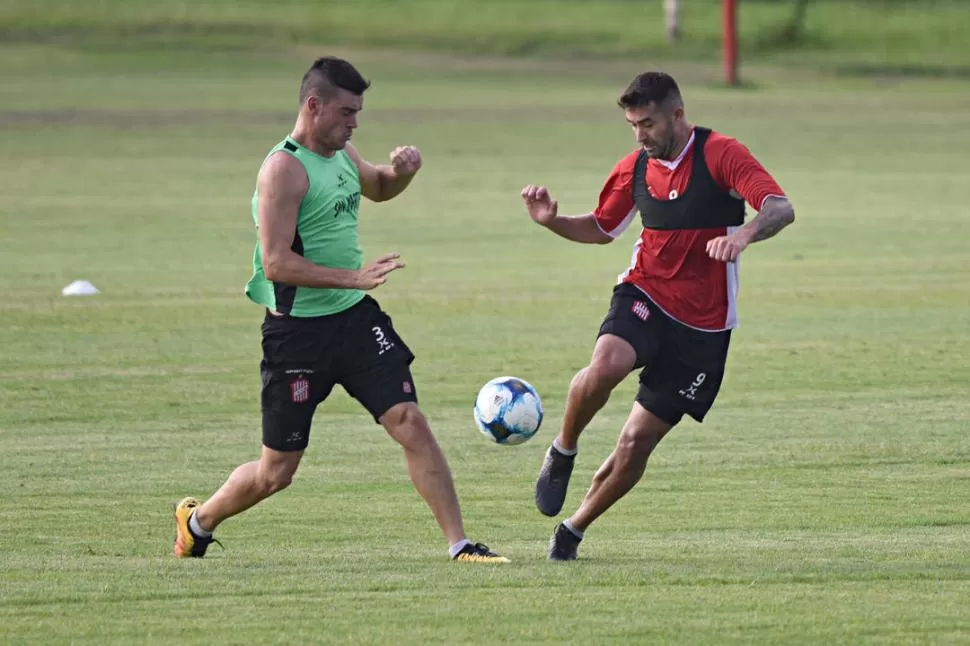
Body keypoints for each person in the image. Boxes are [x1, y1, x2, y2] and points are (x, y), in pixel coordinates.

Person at [173, 56, 508, 564]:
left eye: (358, 113)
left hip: (354, 320)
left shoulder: (342, 151)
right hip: (297, 335)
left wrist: (403, 173)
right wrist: (353, 275)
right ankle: (197, 522)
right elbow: (277, 263)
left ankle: (460, 545)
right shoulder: (282, 170)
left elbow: (378, 186)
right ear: (314, 106)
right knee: (276, 473)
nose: (355, 123)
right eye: (347, 112)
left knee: (409, 421)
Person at [521, 72, 795, 560]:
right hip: (645, 292)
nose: (640, 134)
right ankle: (563, 450)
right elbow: (602, 228)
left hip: (705, 326)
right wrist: (553, 222)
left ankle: (573, 530)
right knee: (605, 364)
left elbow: (780, 206)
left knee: (635, 442)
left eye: (647, 123)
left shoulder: (721, 154)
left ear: (677, 114)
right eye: (632, 124)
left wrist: (743, 236)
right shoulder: (635, 168)